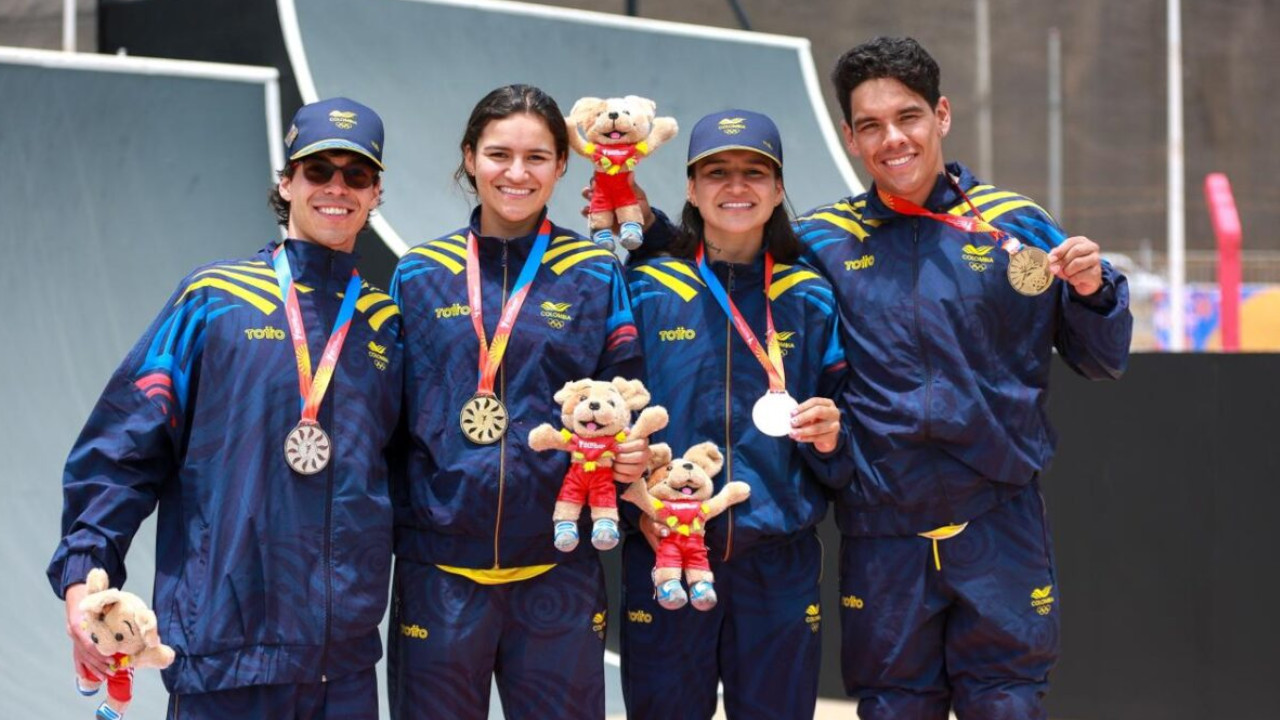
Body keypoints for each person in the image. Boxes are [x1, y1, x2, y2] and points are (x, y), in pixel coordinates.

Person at [790, 37, 1134, 719]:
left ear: (941, 115)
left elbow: (1100, 359)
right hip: (882, 532)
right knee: (892, 706)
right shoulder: (821, 242)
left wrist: (1096, 292)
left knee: (1006, 704)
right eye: (870, 125)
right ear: (850, 137)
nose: (893, 139)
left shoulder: (1017, 225)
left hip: (998, 524)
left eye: (908, 116)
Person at [47, 97, 403, 719]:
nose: (336, 188)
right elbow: (123, 447)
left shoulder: (384, 322)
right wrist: (85, 580)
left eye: (357, 175)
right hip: (222, 652)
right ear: (286, 181)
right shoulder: (215, 297)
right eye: (318, 170)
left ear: (376, 193)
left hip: (341, 663)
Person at [387, 84, 648, 720]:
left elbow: (626, 390)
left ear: (563, 165)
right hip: (439, 571)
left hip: (555, 568)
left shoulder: (594, 272)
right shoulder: (419, 273)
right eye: (499, 154)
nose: (516, 173)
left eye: (536, 157)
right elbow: (387, 419)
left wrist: (633, 445)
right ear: (470, 156)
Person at [619, 110, 854, 720]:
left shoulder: (809, 294)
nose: (736, 186)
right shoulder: (646, 286)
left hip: (778, 566)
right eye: (717, 172)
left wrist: (832, 441)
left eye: (755, 172)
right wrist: (633, 506)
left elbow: (845, 438)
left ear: (778, 191)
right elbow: (609, 421)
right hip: (666, 552)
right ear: (692, 189)